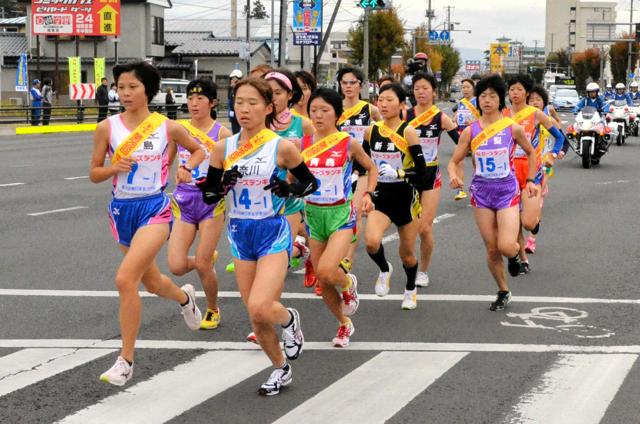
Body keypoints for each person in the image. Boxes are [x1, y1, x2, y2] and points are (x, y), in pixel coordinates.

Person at [197, 77, 317, 396]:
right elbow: (209, 196)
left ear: (268, 107)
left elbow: (310, 184)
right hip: (239, 233)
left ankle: (290, 319)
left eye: (252, 103)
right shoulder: (224, 148)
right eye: (239, 102)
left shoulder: (281, 146)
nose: (245, 109)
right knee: (255, 315)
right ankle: (280, 368)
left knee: (263, 306)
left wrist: (288, 188)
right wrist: (223, 182)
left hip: (272, 231)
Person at [89, 61, 206, 386]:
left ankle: (125, 361)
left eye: (132, 87)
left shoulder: (166, 127)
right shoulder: (106, 127)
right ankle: (185, 298)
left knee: (126, 279)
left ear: (147, 90)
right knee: (152, 283)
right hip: (122, 212)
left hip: (155, 209)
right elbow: (94, 173)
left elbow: (197, 150)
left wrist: (187, 169)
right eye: (120, 87)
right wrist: (113, 168)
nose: (125, 93)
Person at [447, 74, 539, 311]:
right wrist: (454, 175)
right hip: (481, 193)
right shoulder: (470, 131)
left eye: (492, 96)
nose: (487, 100)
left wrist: (530, 179)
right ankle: (503, 290)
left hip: (507, 191)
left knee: (506, 246)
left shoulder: (512, 128)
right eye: (483, 96)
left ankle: (515, 255)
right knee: (491, 247)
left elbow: (530, 153)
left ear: (501, 100)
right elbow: (454, 160)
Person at [303, 88, 377, 347]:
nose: (319, 115)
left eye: (325, 110)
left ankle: (347, 283)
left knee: (325, 269)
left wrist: (368, 194)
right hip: (313, 215)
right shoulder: (303, 144)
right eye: (314, 110)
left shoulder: (347, 142)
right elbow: (292, 179)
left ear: (337, 114)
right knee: (323, 280)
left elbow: (370, 167)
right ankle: (344, 324)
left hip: (341, 214)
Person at [167, 78, 232, 330]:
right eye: (190, 98)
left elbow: (231, 169)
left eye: (200, 99)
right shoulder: (179, 130)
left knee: (204, 265)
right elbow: (167, 161)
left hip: (210, 204)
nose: (194, 103)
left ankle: (212, 309)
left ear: (212, 102)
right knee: (176, 266)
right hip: (183, 200)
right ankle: (205, 259)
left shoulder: (222, 134)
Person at [363, 83, 423, 310]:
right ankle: (384, 269)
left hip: (405, 196)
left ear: (401, 104)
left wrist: (400, 172)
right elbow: (364, 162)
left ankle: (410, 288)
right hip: (381, 194)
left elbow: (421, 170)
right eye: (381, 99)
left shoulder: (408, 131)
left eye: (389, 100)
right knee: (371, 242)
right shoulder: (372, 131)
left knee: (407, 254)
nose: (384, 104)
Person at [504, 74, 565, 274]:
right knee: (513, 222)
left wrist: (553, 155)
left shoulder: (536, 114)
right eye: (512, 89)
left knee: (528, 222)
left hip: (533, 172)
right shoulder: (503, 115)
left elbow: (559, 138)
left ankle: (534, 221)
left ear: (527, 93)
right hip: (509, 174)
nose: (515, 93)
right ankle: (522, 259)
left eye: (519, 89)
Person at [406, 72, 460, 289]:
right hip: (408, 175)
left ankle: (423, 271)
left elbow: (462, 142)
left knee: (424, 228)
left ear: (433, 92)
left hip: (430, 175)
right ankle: (408, 262)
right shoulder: (405, 115)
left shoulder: (440, 117)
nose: (421, 91)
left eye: (425, 88)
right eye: (417, 87)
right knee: (407, 227)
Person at [264, 70, 314, 272]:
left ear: (290, 95)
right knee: (265, 257)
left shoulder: (302, 124)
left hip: (292, 196)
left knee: (278, 261)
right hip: (262, 198)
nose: (273, 97)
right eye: (268, 92)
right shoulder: (257, 124)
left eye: (278, 92)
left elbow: (312, 159)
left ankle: (303, 251)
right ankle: (303, 248)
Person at [336, 66, 383, 275]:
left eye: (352, 82)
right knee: (338, 214)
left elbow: (385, 132)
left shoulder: (370, 110)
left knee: (354, 213)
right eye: (344, 82)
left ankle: (347, 259)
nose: (348, 86)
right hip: (338, 169)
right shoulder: (334, 108)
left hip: (362, 167)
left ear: (360, 85)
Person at [452, 78, 480, 200]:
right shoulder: (461, 102)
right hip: (461, 132)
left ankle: (477, 186)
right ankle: (460, 190)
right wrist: (454, 120)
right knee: (458, 161)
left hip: (475, 133)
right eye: (463, 87)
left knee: (477, 161)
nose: (465, 89)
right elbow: (457, 115)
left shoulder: (478, 102)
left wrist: (474, 123)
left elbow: (484, 118)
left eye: (468, 87)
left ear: (473, 89)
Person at [228, 69, 243, 134]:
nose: (232, 80)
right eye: (231, 79)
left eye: (235, 79)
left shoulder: (241, 89)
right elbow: (229, 102)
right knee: (235, 132)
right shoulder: (231, 89)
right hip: (233, 115)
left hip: (240, 114)